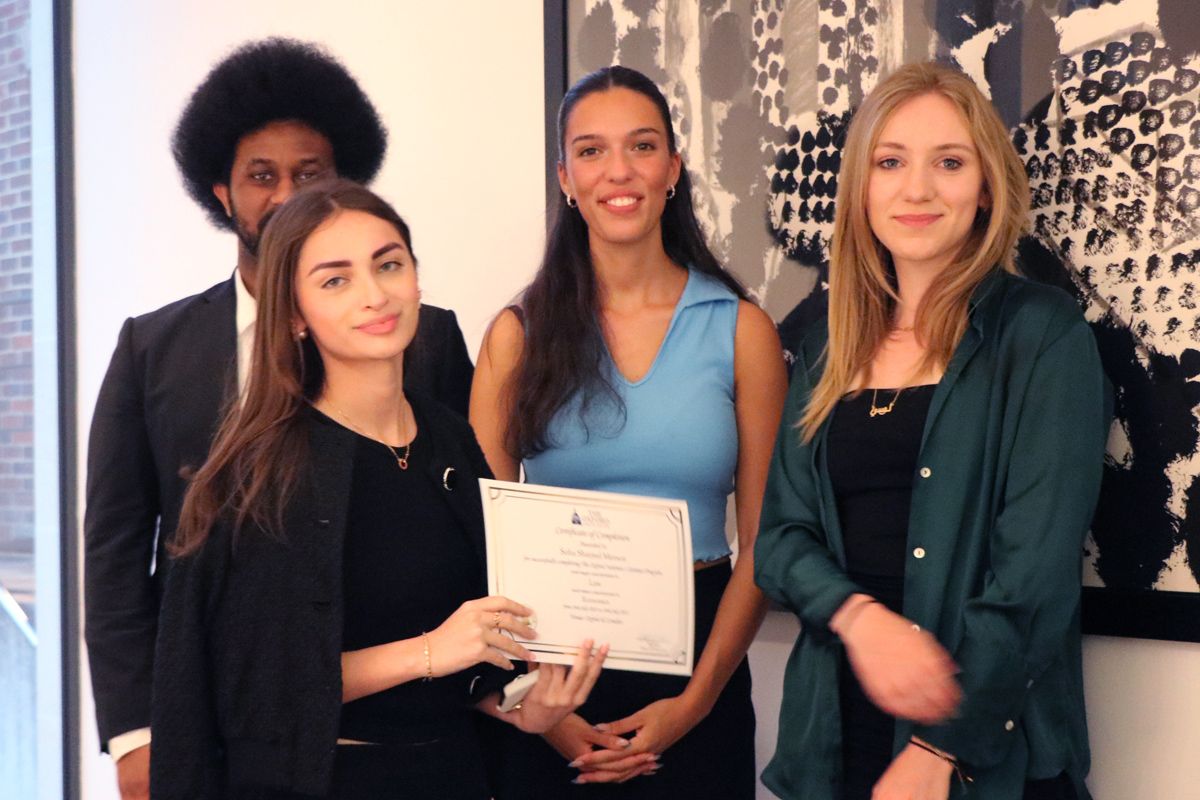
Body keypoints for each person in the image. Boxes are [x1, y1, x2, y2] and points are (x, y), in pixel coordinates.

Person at [83, 38, 475, 800]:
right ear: (222, 193)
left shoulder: (425, 339)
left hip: (396, 737)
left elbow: (461, 525)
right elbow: (116, 554)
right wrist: (137, 734)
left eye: (310, 174)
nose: (286, 194)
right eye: (262, 176)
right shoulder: (152, 350)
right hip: (208, 708)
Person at [149, 178, 607, 799]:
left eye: (388, 264)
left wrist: (520, 708)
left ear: (416, 280)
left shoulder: (446, 437)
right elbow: (260, 684)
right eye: (335, 279)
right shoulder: (260, 472)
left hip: (454, 775)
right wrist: (431, 651)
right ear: (294, 315)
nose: (374, 294)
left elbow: (470, 650)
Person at [754, 61, 1107, 800]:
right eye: (890, 162)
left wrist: (937, 750)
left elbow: (1033, 581)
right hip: (835, 737)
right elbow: (782, 539)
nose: (917, 189)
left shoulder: (1042, 335)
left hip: (983, 754)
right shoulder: (826, 342)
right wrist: (862, 620)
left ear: (985, 187)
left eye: (948, 162)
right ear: (861, 187)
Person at [470, 65, 788, 797]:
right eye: (591, 151)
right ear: (565, 177)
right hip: (544, 677)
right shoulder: (517, 336)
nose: (619, 171)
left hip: (696, 675)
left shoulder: (741, 331)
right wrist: (541, 713)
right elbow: (472, 540)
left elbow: (766, 540)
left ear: (672, 169)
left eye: (642, 147)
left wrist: (695, 705)